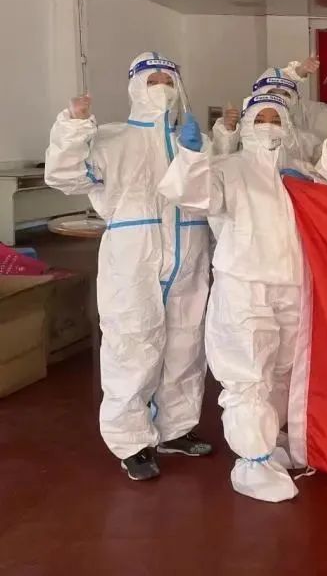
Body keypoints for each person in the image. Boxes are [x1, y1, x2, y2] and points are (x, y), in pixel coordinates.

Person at [44, 52, 212, 481]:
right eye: (153, 79)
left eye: (168, 80)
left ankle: (176, 428)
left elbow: (211, 195)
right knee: (133, 342)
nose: (162, 87)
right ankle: (132, 441)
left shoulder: (193, 138)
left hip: (189, 248)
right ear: (135, 85)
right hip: (134, 253)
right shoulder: (112, 138)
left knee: (186, 343)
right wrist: (73, 126)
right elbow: (64, 177)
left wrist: (201, 153)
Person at [158, 89, 316, 503]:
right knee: (248, 374)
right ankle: (252, 461)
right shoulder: (228, 168)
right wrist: (191, 157)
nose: (269, 126)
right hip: (244, 285)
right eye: (260, 118)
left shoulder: (297, 173)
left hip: (291, 283)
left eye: (276, 119)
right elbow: (193, 197)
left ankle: (270, 440)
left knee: (282, 370)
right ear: (245, 124)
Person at [211, 64, 322, 161]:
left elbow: (321, 164)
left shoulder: (303, 138)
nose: (279, 98)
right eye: (272, 92)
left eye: (285, 94)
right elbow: (222, 161)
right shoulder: (243, 133)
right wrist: (228, 133)